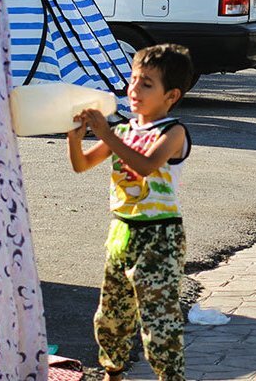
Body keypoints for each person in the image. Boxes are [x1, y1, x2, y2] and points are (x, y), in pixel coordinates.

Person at [67, 44, 194, 381]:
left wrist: (106, 132)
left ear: (172, 95)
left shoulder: (173, 132)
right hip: (122, 231)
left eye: (147, 84)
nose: (134, 90)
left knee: (158, 319)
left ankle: (170, 376)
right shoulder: (122, 131)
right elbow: (82, 165)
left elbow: (147, 165)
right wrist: (74, 138)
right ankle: (114, 372)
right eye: (133, 80)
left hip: (160, 236)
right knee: (111, 315)